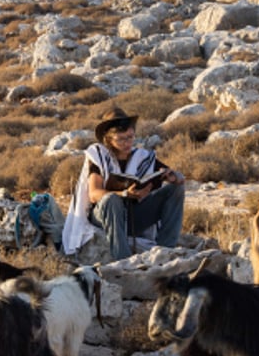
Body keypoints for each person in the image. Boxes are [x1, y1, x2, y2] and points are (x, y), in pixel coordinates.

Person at [62, 106, 186, 260]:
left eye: (130, 137)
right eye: (121, 139)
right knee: (111, 199)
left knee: (176, 190)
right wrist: (124, 194)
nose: (127, 143)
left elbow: (178, 177)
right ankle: (123, 259)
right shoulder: (99, 155)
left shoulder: (142, 157)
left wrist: (173, 177)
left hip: (134, 216)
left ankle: (166, 251)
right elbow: (94, 194)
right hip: (105, 216)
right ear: (108, 139)